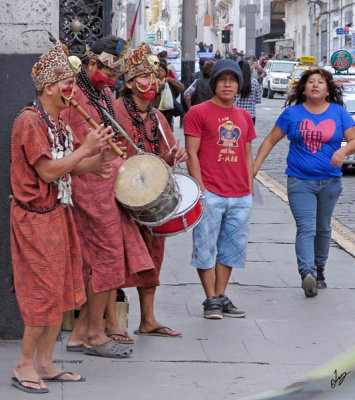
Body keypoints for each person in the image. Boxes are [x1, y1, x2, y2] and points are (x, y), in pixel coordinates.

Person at [10, 37, 114, 393]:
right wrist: (85, 149)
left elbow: (70, 169)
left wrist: (97, 160)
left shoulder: (60, 123)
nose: (71, 88)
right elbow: (49, 172)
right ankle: (24, 362)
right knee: (41, 291)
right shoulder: (29, 122)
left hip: (59, 212)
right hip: (34, 218)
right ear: (49, 87)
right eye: (65, 83)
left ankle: (44, 362)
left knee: (58, 290)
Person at [62, 35, 157, 357]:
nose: (114, 81)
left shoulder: (100, 93)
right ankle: (91, 331)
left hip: (106, 185)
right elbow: (74, 148)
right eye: (110, 73)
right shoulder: (73, 96)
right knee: (104, 260)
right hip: (87, 186)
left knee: (107, 260)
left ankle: (81, 333)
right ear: (91, 64)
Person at [254, 68, 355, 297]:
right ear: (304, 88)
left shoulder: (339, 113)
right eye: (311, 82)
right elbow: (270, 140)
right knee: (306, 228)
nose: (315, 85)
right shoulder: (292, 115)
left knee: (323, 229)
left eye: (320, 82)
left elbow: (354, 139)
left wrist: (343, 152)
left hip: (330, 182)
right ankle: (306, 273)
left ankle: (319, 269)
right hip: (300, 181)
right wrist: (255, 166)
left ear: (328, 91)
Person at [116, 42, 188, 336]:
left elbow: (165, 158)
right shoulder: (117, 111)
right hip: (122, 198)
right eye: (145, 76)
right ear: (131, 82)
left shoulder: (158, 118)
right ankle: (112, 322)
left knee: (154, 256)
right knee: (117, 258)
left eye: (154, 75)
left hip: (151, 203)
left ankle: (147, 320)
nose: (152, 82)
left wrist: (175, 157)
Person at [184, 59, 256, 319]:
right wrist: (200, 189)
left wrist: (249, 187)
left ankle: (221, 295)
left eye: (233, 80)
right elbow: (192, 153)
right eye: (223, 80)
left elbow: (247, 153)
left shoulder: (245, 116)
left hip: (239, 194)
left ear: (239, 84)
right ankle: (210, 298)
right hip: (210, 192)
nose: (228, 85)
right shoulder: (199, 112)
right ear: (214, 83)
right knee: (204, 247)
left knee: (231, 248)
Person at [153, 61, 185, 129]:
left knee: (167, 128)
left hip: (168, 110)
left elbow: (181, 88)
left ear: (165, 73)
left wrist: (170, 80)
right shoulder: (154, 81)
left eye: (162, 71)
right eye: (158, 71)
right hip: (157, 109)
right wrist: (162, 86)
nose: (160, 73)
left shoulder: (169, 82)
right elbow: (155, 91)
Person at [234, 60, 261, 125]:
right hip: (250, 115)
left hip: (236, 115)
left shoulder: (235, 82)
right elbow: (258, 100)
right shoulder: (254, 82)